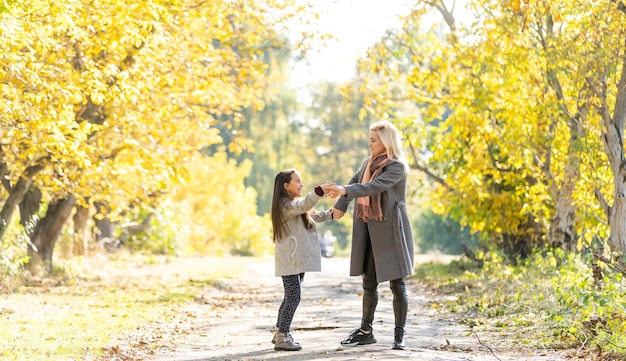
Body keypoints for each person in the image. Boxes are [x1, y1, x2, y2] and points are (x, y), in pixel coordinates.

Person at [330, 120, 414, 350]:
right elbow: (356, 181)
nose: (369, 144)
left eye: (373, 140)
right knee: (369, 281)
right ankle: (366, 331)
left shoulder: (396, 166)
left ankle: (400, 334)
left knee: (397, 283)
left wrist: (346, 192)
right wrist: (341, 203)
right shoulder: (368, 163)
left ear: (385, 142)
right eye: (370, 139)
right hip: (368, 228)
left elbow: (374, 186)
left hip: (391, 231)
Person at [270, 169, 337, 351]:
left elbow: (313, 213)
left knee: (290, 297)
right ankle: (283, 335)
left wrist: (333, 212)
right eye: (297, 181)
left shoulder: (294, 205)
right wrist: (318, 191)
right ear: (286, 186)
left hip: (296, 260)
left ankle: (280, 333)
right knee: (293, 297)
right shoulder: (285, 205)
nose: (301, 184)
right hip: (290, 260)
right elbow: (304, 205)